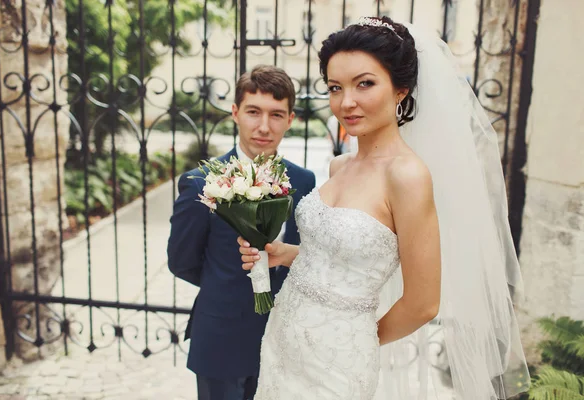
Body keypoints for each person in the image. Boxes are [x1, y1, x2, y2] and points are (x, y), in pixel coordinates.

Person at [237, 16, 530, 400]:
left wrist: (354, 338)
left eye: (365, 84)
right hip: (281, 341)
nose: (347, 102)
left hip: (339, 361)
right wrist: (283, 254)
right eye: (335, 87)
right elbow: (338, 259)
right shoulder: (339, 166)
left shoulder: (408, 176)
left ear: (400, 90)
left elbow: (423, 303)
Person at [167, 64, 316, 400]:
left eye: (277, 115)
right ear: (235, 113)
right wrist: (225, 285)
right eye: (253, 112)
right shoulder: (199, 183)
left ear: (291, 119)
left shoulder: (304, 181)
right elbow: (181, 261)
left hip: (283, 338)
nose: (264, 126)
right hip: (221, 335)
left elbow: (304, 254)